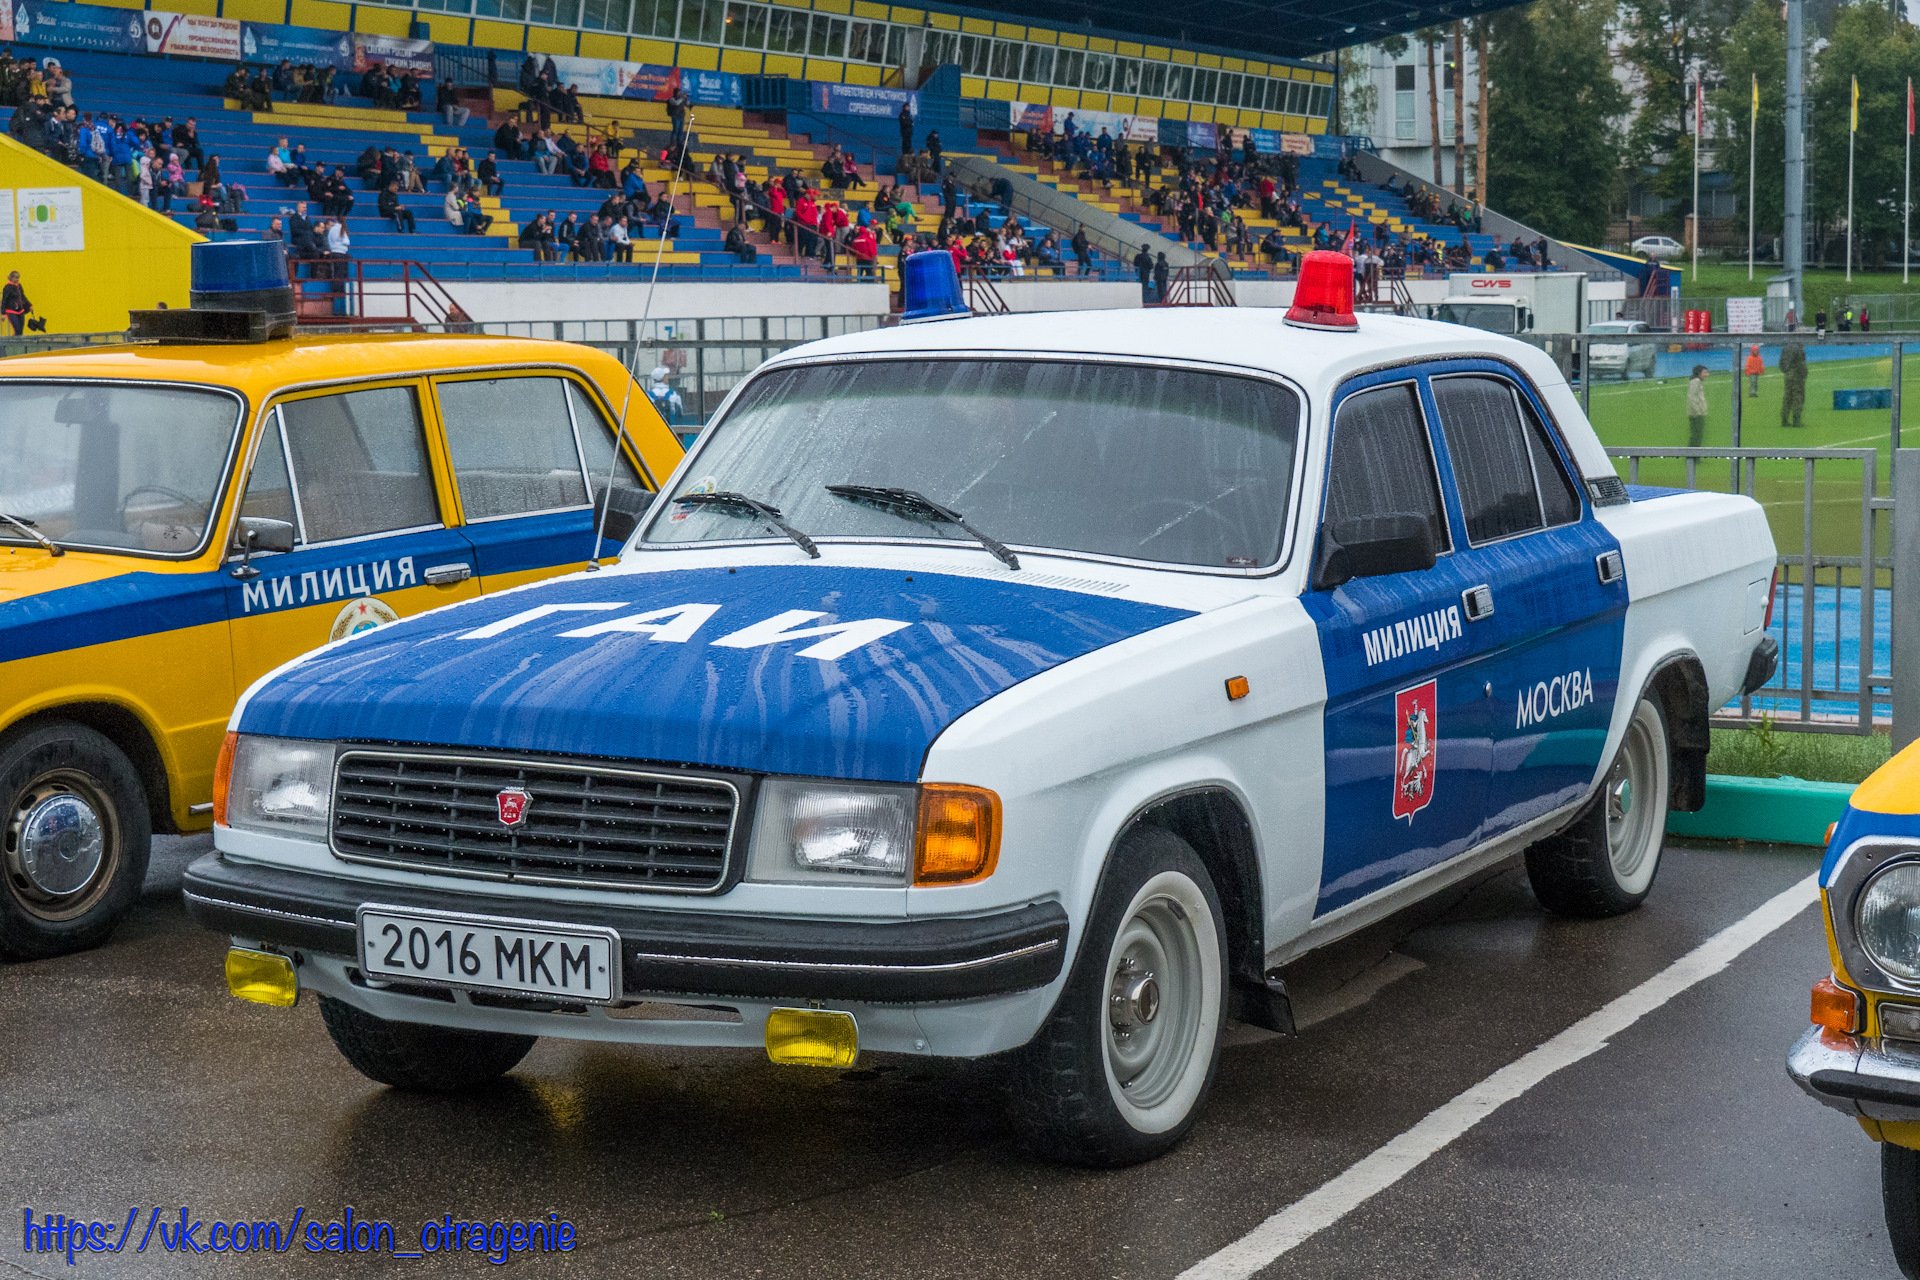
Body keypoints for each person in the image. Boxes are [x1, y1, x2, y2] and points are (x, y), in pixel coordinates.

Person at [1780, 342, 1808, 429]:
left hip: (1788, 375)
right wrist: (1804, 374)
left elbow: (1781, 362)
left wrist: (1786, 371)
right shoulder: (1799, 349)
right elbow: (1801, 363)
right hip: (1797, 375)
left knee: (1787, 397)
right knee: (1798, 397)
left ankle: (1784, 419)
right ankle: (1796, 420)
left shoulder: (1785, 348)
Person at [1685, 364, 1709, 448]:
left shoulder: (1696, 382)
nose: (1707, 374)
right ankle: (1692, 456)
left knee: (1697, 435)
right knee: (1696, 435)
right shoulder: (1696, 382)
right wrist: (1698, 411)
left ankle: (1694, 456)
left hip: (1697, 413)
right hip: (1696, 414)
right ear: (1699, 373)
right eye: (1705, 372)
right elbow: (1692, 397)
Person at [2, 271, 30, 335]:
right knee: (17, 328)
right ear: (11, 278)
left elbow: (22, 296)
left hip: (20, 310)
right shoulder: (7, 287)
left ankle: (18, 343)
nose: (17, 279)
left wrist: (29, 305)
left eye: (18, 278)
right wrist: (3, 313)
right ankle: (15, 343)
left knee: (20, 329)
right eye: (16, 278)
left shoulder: (19, 286)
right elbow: (4, 300)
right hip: (11, 311)